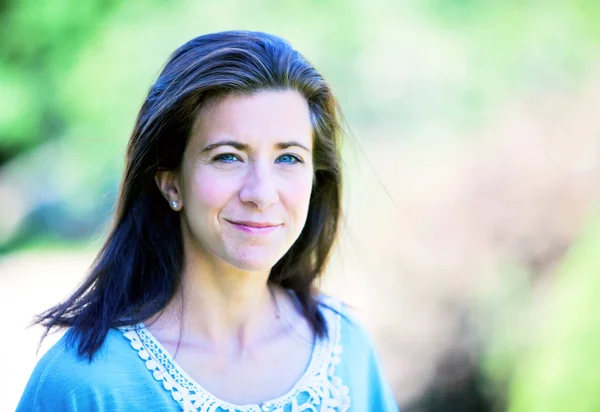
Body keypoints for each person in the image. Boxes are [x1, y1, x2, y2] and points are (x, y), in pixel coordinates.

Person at [17, 30, 399, 412]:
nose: (261, 193)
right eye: (228, 156)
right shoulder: (82, 383)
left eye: (288, 158)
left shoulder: (347, 351)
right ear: (172, 183)